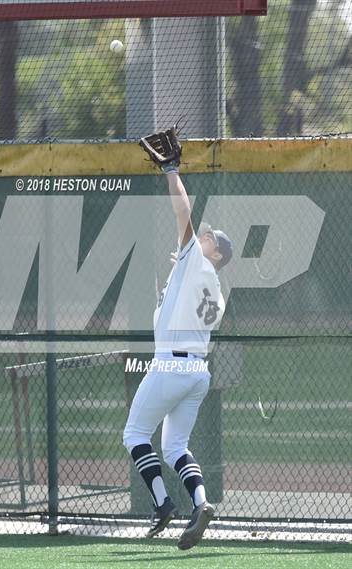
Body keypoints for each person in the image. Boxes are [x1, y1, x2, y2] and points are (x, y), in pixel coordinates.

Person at [123, 135, 233, 550]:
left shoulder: (199, 262)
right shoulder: (214, 288)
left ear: (216, 254)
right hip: (196, 372)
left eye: (209, 238)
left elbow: (182, 211)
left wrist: (172, 171)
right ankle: (201, 502)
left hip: (170, 366)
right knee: (175, 447)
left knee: (134, 434)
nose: (201, 236)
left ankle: (163, 503)